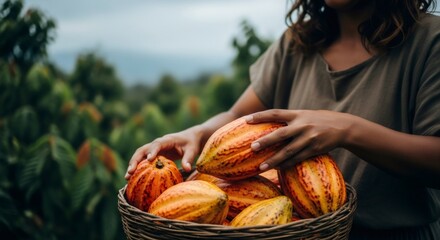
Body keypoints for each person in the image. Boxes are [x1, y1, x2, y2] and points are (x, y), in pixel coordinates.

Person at [126, 0, 440, 238]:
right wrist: (198, 132)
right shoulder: (300, 42)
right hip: (293, 230)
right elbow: (239, 116)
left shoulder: (430, 42)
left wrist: (347, 129)